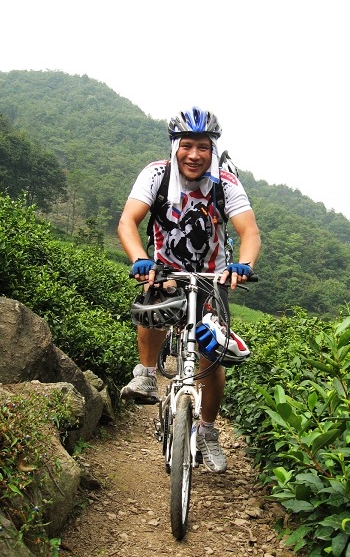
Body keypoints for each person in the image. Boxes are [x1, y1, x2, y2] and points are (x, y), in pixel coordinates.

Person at [118, 106, 261, 473]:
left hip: (213, 278)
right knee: (153, 304)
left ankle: (209, 431)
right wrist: (139, 258)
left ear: (213, 150)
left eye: (203, 147)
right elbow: (128, 222)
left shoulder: (225, 183)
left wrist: (242, 265)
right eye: (186, 145)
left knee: (211, 358)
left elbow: (249, 232)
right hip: (166, 271)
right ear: (174, 147)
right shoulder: (156, 175)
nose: (194, 155)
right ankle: (147, 375)